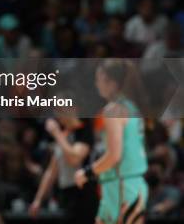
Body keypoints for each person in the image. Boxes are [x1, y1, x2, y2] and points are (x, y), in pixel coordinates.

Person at [75, 60, 148, 224]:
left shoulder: (113, 110)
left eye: (98, 79)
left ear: (112, 83)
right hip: (128, 185)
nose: (96, 84)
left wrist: (86, 172)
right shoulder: (131, 107)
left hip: (121, 186)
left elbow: (114, 155)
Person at [29, 116, 98, 223]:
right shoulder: (63, 134)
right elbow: (51, 171)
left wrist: (57, 134)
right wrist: (38, 200)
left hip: (83, 193)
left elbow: (74, 159)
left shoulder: (84, 131)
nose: (58, 115)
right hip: (66, 194)